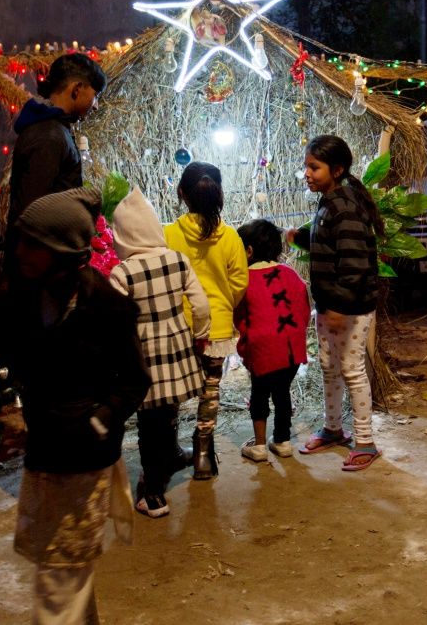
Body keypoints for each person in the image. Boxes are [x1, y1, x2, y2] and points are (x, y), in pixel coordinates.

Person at [0, 187, 150, 625]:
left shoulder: (107, 306)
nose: (22, 251)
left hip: (86, 457)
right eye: (22, 241)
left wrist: (98, 419)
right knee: (60, 562)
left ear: (64, 252)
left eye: (34, 244)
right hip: (45, 452)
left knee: (60, 570)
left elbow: (133, 382)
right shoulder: (24, 299)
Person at [107, 186, 209, 518]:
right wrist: (201, 335)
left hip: (143, 353)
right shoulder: (178, 260)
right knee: (169, 408)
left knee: (149, 421)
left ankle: (151, 492)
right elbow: (201, 305)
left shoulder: (121, 273)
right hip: (177, 344)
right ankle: (173, 454)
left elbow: (114, 319)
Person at [288, 135, 384, 471]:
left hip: (350, 309)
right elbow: (331, 247)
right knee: (329, 368)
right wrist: (301, 237)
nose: (308, 173)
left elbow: (355, 264)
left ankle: (366, 442)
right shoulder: (329, 202)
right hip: (332, 306)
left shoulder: (344, 206)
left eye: (314, 167)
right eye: (307, 166)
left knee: (351, 370)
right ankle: (332, 430)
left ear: (337, 169)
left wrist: (340, 307)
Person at [164, 161, 248, 479]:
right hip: (217, 330)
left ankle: (170, 448)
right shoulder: (230, 237)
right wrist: (224, 307)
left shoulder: (167, 234)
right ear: (219, 194)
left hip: (176, 328)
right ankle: (202, 455)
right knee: (210, 392)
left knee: (171, 392)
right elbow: (239, 284)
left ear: (182, 193)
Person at [7, 52, 107, 239]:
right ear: (77, 89)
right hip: (42, 263)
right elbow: (32, 214)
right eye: (95, 95)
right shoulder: (49, 136)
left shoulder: (53, 129)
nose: (96, 106)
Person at [235, 219, 312, 462]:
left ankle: (259, 446)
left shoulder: (244, 279)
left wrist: (246, 347)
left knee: (259, 394)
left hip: (263, 350)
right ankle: (282, 441)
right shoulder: (290, 274)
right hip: (291, 351)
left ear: (248, 251)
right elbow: (303, 309)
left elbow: (240, 318)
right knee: (282, 393)